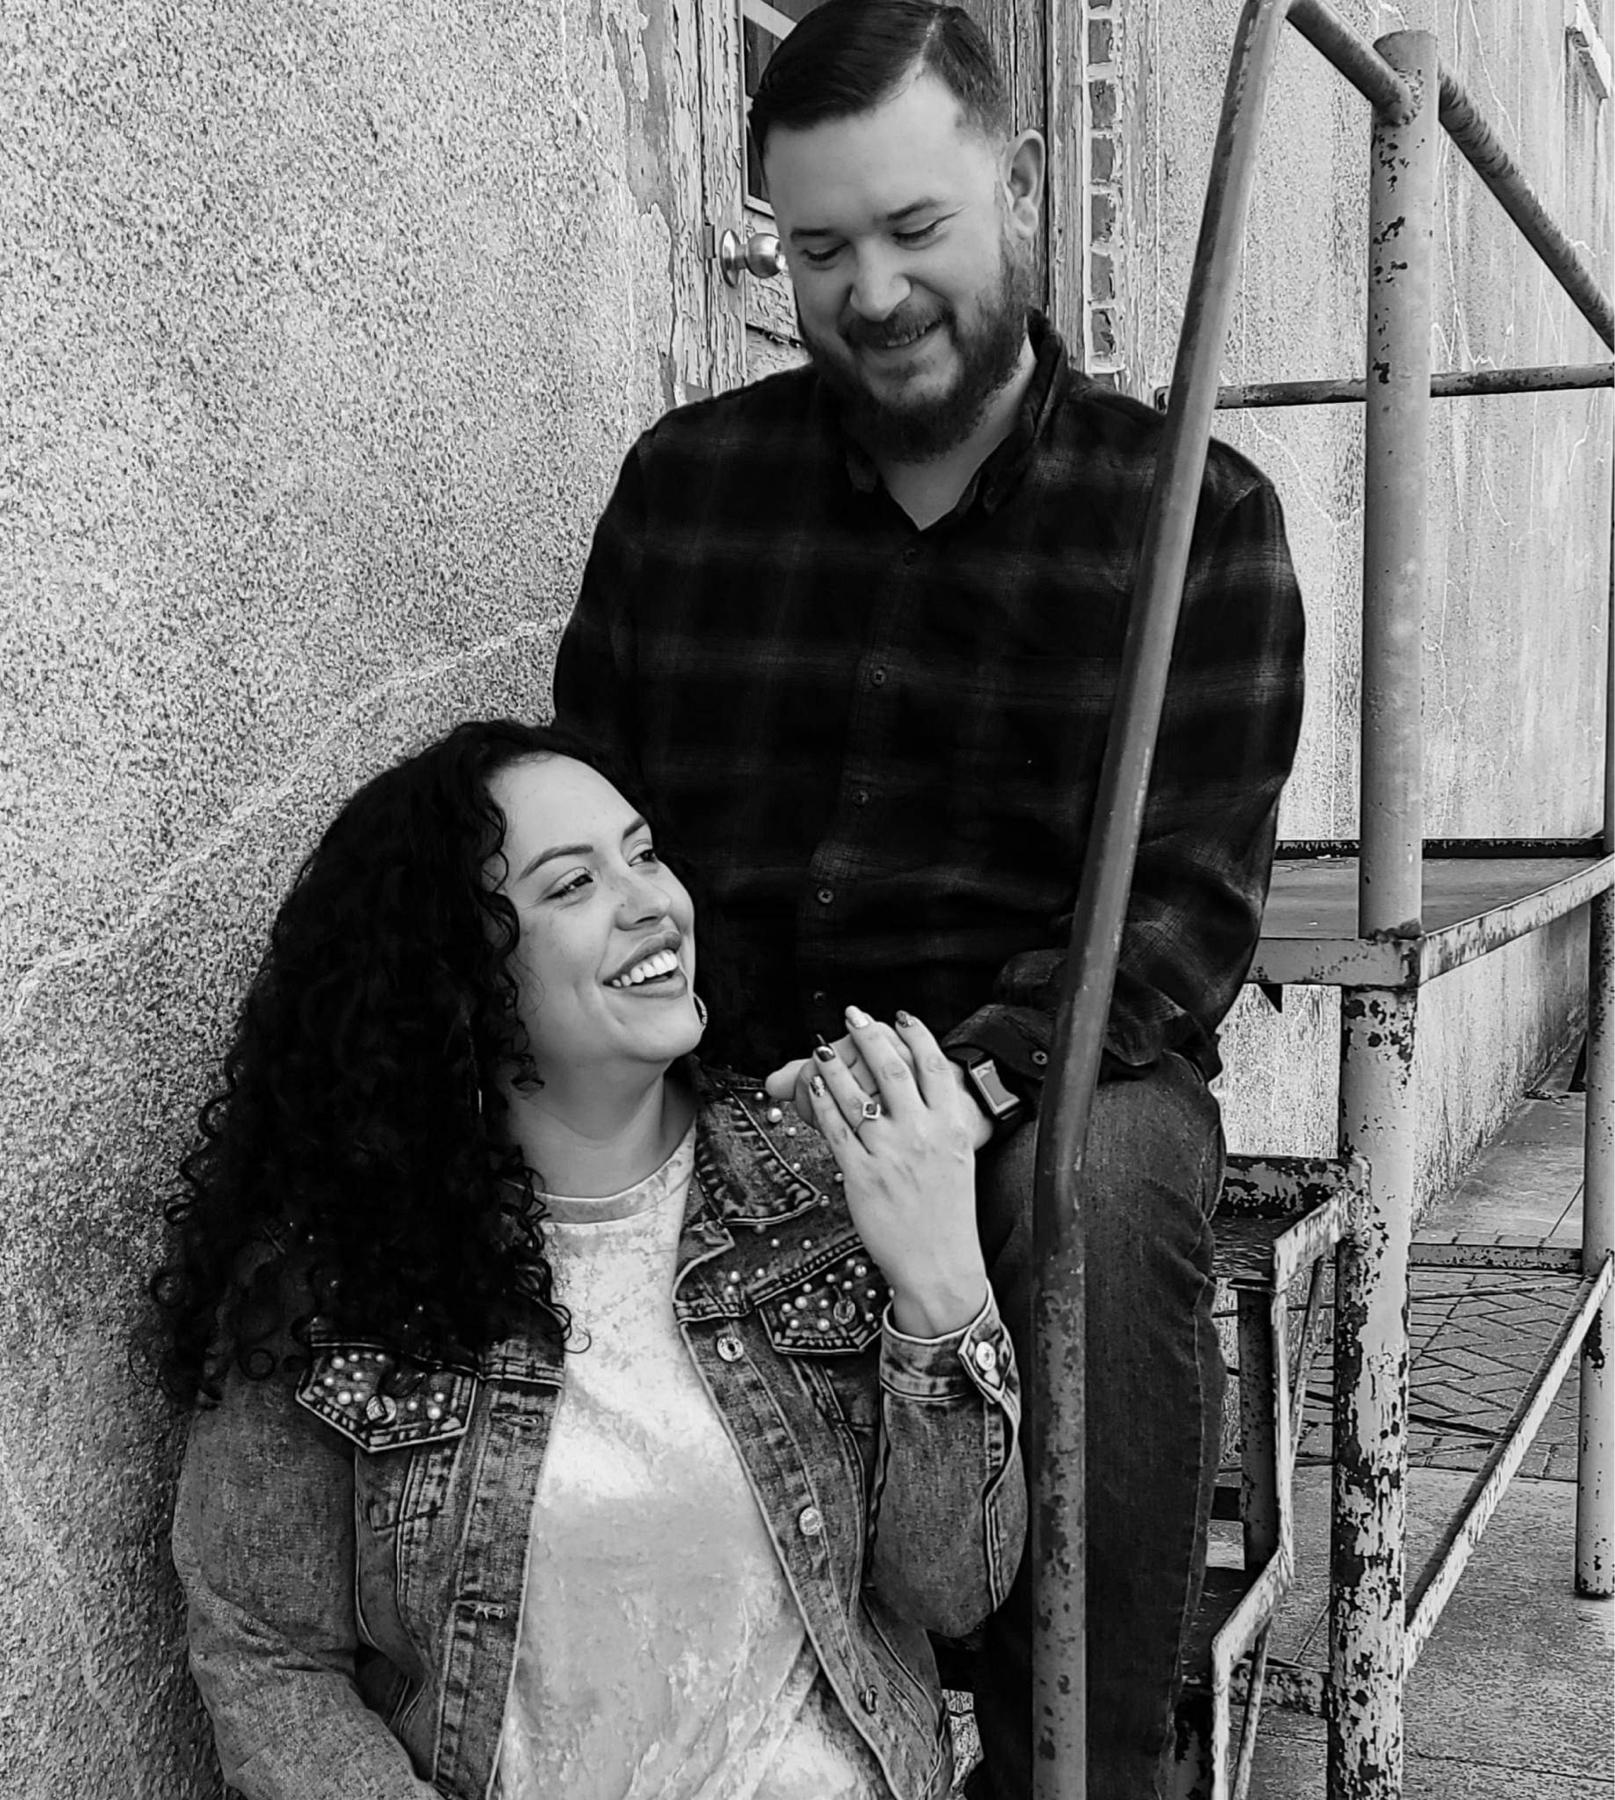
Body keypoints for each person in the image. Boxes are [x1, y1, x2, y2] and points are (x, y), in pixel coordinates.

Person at [550, 3, 1306, 1794]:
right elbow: (595, 816)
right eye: (818, 249)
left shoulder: (1192, 515)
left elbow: (1184, 916)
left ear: (1022, 185)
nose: (871, 293)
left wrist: (955, 1088)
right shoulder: (684, 489)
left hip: (1037, 1077)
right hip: (727, 1069)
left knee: (1098, 1187)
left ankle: (1081, 1769)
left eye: (914, 228)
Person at [156, 718, 1025, 1800]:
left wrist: (940, 1280)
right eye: (573, 884)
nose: (650, 901)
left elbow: (951, 1594)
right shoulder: (340, 1274)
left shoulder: (819, 1192)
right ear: (457, 968)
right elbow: (267, 1655)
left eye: (644, 853)